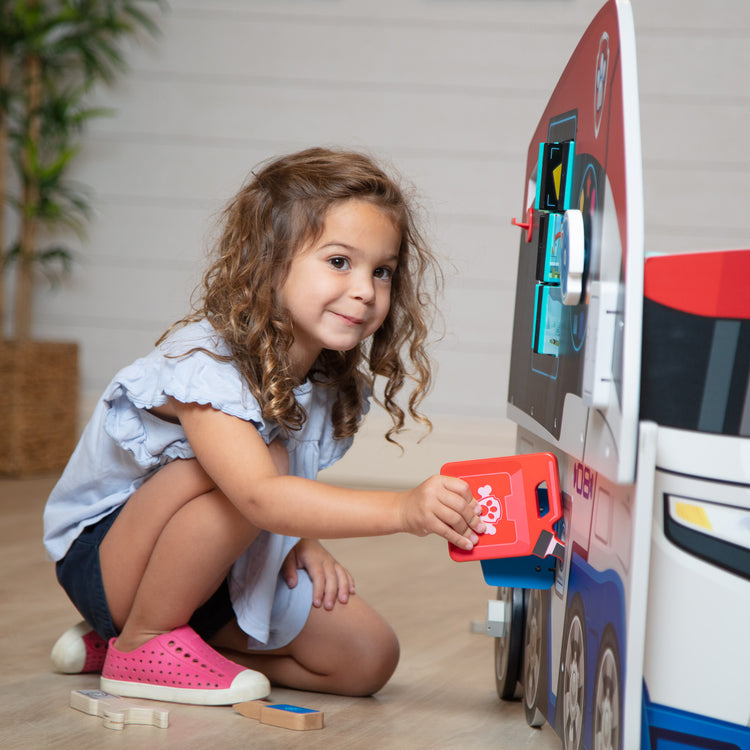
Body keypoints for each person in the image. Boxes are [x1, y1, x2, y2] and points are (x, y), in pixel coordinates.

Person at [43, 147, 485, 706]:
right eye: (340, 262)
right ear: (270, 261)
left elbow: (272, 501)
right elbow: (258, 495)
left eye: (383, 271)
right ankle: (143, 641)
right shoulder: (208, 365)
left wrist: (303, 538)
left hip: (212, 564)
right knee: (260, 468)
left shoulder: (323, 376)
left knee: (367, 658)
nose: (366, 290)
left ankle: (144, 642)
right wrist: (403, 510)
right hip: (109, 560)